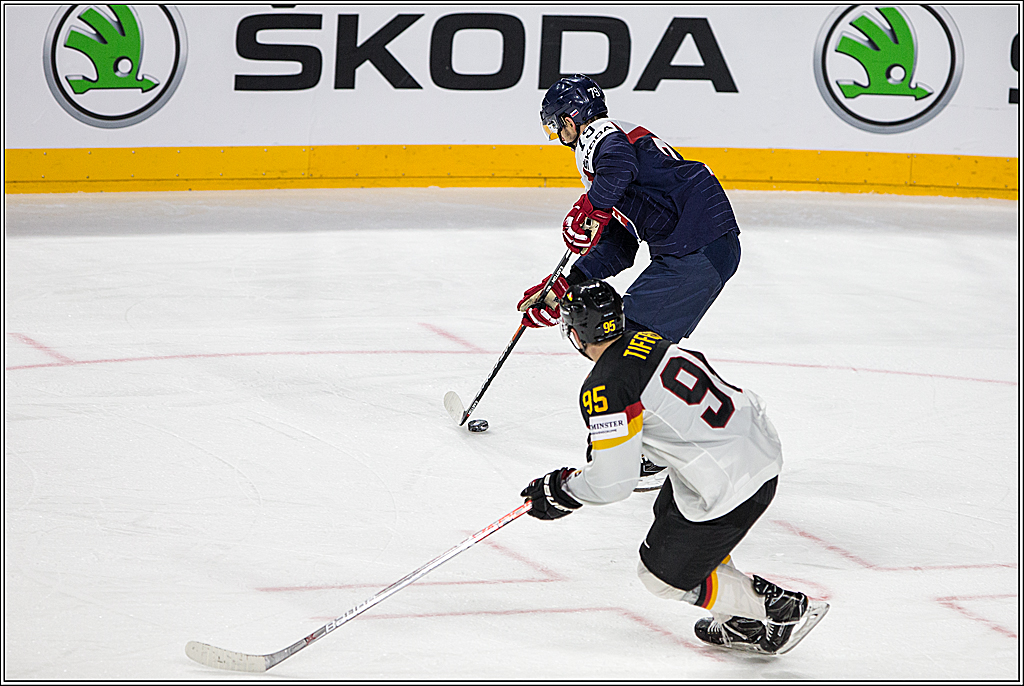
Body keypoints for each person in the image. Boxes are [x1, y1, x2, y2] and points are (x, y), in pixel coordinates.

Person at [519, 279, 828, 654]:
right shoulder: (644, 337)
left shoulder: (606, 386)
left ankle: (778, 610)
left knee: (661, 576)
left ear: (577, 334)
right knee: (670, 516)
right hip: (749, 446)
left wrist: (563, 490)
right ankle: (738, 622)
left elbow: (613, 483)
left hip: (732, 483)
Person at [517, 74, 743, 491]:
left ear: (572, 118)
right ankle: (658, 438)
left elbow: (619, 164)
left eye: (557, 126)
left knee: (626, 340)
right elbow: (620, 247)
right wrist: (566, 283)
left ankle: (653, 449)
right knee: (629, 336)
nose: (558, 136)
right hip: (693, 248)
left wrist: (591, 205)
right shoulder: (603, 162)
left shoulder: (602, 137)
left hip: (698, 246)